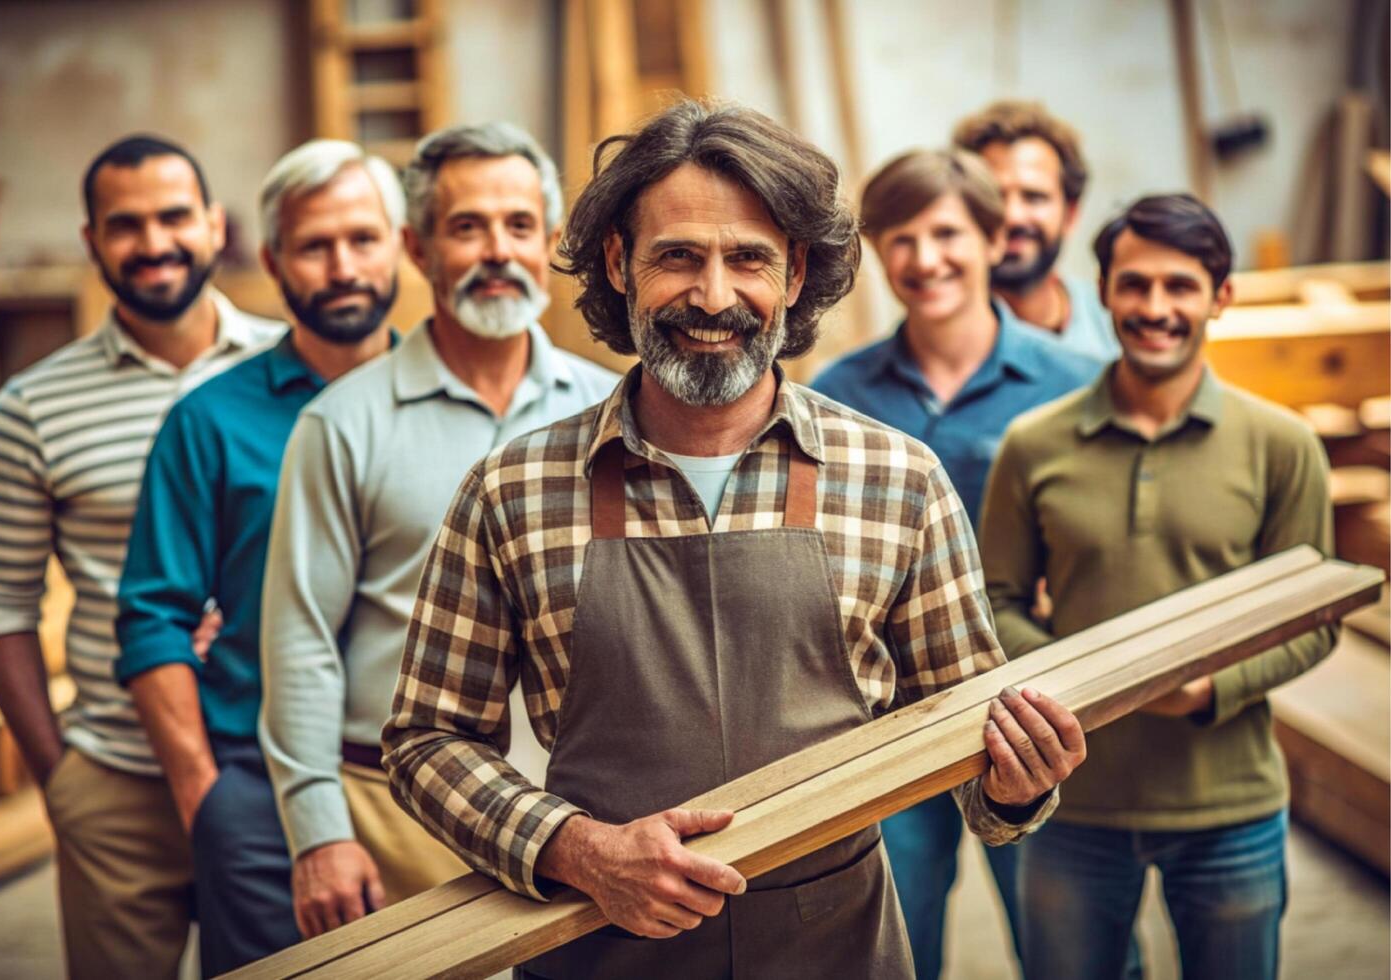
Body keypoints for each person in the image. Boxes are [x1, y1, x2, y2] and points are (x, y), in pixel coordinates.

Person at [382, 99, 1087, 979]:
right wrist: (574, 849)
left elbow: (977, 767)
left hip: (835, 951)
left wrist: (1016, 784)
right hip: (598, 949)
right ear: (617, 263)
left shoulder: (897, 481)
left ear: (794, 274)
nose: (712, 297)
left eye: (747, 258)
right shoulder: (512, 491)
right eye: (677, 256)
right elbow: (424, 740)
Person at [259, 122, 617, 939]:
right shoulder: (340, 424)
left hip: (586, 811)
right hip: (394, 809)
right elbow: (300, 639)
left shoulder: (612, 415)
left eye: (518, 225)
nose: (497, 249)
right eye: (467, 227)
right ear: (417, 250)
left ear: (552, 243)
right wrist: (319, 834)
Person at [979, 194, 1336, 980]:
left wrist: (1210, 684)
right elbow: (993, 602)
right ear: (1103, 291)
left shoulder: (1283, 446)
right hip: (1070, 804)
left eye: (1179, 286)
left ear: (1221, 296)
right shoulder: (1033, 446)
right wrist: (1096, 678)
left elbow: (1315, 620)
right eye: (1134, 285)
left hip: (1230, 808)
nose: (1154, 307)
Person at [0, 134, 281, 980]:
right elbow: (0, 603)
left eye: (175, 216)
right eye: (125, 224)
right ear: (91, 242)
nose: (153, 243)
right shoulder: (32, 406)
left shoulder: (294, 372)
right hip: (115, 775)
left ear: (215, 226)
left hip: (271, 767)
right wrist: (57, 776)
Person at [113, 139, 404, 975]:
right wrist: (207, 797)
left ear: (400, 246)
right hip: (256, 788)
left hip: (427, 775)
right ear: (274, 260)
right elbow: (151, 619)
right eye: (314, 246)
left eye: (361, 238)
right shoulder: (208, 422)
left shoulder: (448, 406)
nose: (342, 265)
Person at [809, 148, 1098, 980]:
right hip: (882, 720)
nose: (925, 258)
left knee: (1070, 951)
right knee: (895, 946)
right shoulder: (838, 395)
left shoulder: (1074, 385)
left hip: (1034, 707)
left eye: (946, 233)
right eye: (900, 238)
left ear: (990, 237)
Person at [954, 100, 1118, 362]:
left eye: (1034, 197)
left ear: (1071, 214)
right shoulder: (934, 342)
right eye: (994, 196)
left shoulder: (1116, 327)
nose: (1012, 216)